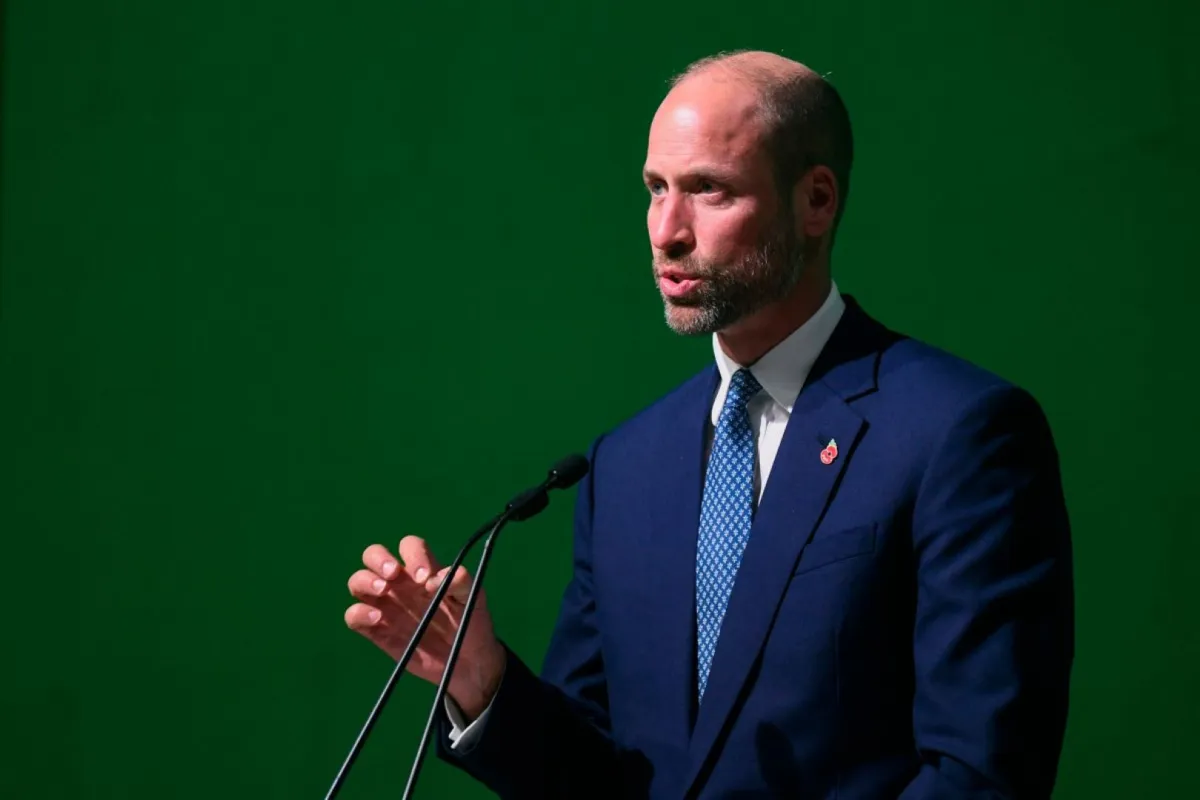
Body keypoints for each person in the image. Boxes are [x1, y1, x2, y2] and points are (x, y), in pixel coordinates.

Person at [343, 50, 1075, 799]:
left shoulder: (960, 434)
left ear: (816, 200)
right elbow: (599, 778)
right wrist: (483, 682)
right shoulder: (623, 468)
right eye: (655, 189)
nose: (666, 231)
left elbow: (981, 775)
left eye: (708, 191)